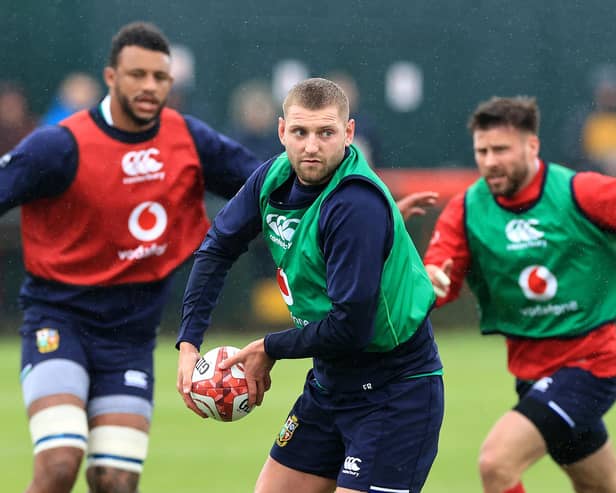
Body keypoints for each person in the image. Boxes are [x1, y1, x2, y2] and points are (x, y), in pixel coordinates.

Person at [1, 22, 261, 493]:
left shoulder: (188, 140)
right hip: (58, 322)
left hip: (130, 335)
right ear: (110, 77)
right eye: (136, 74)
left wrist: (357, 203)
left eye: (160, 78)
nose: (149, 86)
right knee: (60, 464)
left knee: (115, 481)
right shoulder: (60, 145)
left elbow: (268, 185)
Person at [176, 77, 444, 493]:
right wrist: (189, 344)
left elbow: (350, 327)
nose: (311, 146)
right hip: (328, 385)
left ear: (349, 133)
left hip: (395, 393)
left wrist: (269, 348)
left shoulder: (355, 204)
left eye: (326, 133)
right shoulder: (273, 176)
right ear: (282, 131)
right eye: (300, 132)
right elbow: (216, 249)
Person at [424, 96, 616, 493]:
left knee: (497, 463)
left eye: (501, 150)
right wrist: (430, 283)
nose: (490, 161)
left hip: (594, 362)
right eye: (482, 151)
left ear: (532, 146)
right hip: (532, 370)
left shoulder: (581, 192)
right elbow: (438, 274)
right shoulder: (467, 210)